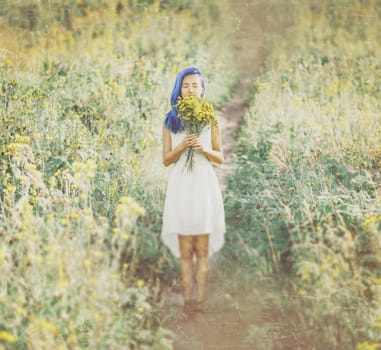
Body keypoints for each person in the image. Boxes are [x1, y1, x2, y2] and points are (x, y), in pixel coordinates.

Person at [161, 66, 226, 313]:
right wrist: (181, 147)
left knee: (202, 246)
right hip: (181, 185)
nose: (190, 90)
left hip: (203, 184)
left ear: (202, 90)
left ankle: (200, 301)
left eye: (194, 86)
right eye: (185, 86)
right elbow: (166, 160)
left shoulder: (210, 119)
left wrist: (202, 148)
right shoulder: (171, 120)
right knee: (185, 247)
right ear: (179, 89)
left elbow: (220, 157)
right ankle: (188, 300)